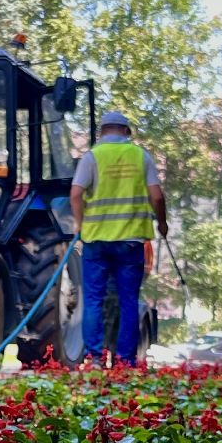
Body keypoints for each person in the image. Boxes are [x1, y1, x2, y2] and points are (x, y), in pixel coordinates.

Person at [70, 111, 168, 366]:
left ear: (102, 132)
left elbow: (76, 194)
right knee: (128, 302)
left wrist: (80, 226)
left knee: (93, 300)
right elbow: (157, 197)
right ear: (126, 131)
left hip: (96, 242)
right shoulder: (140, 156)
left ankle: (94, 358)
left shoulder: (91, 157)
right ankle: (125, 361)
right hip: (131, 242)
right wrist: (163, 224)